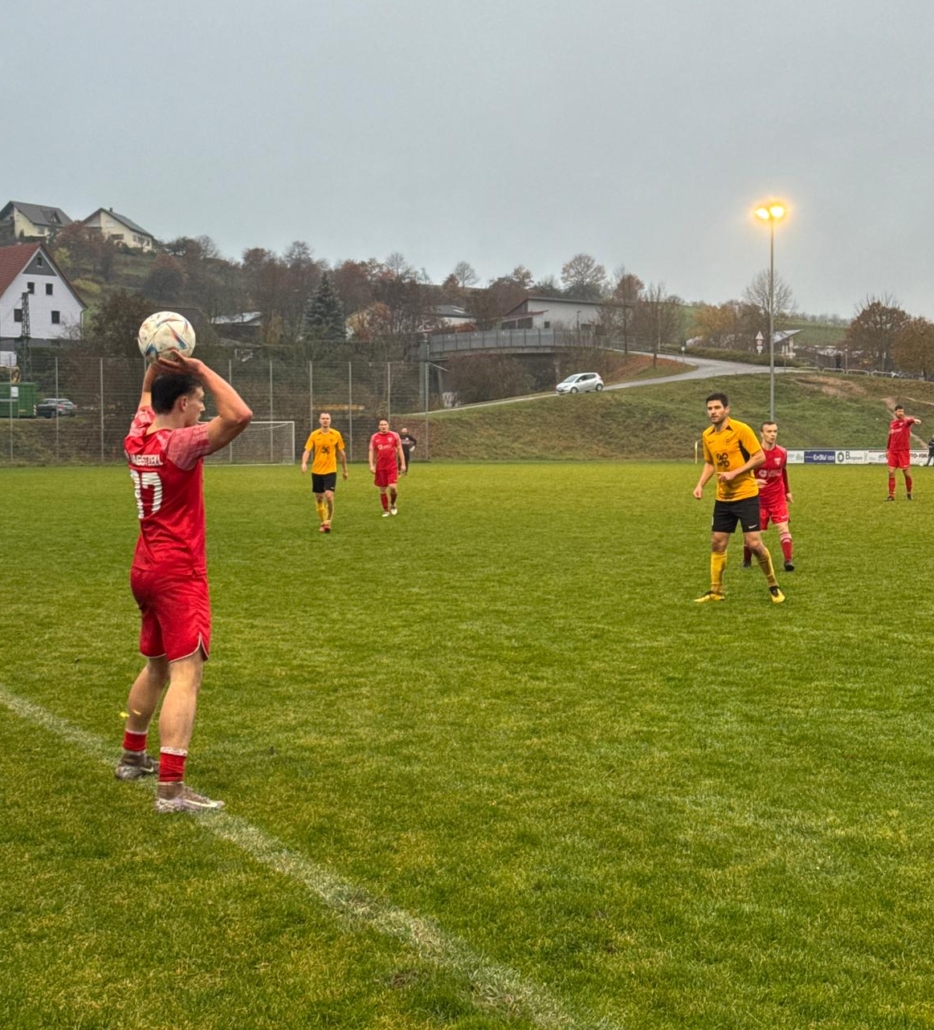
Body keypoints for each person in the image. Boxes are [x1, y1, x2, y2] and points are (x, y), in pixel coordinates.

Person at [117, 353, 253, 813]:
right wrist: (200, 369)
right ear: (180, 404)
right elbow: (240, 415)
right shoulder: (180, 444)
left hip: (145, 568)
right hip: (178, 573)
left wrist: (155, 365)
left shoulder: (137, 435)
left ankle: (132, 757)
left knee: (156, 667)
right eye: (197, 402)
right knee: (185, 675)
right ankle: (172, 789)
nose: (202, 408)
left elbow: (145, 395)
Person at [692, 392, 784, 604]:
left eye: (717, 408)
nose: (713, 412)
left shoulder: (741, 429)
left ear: (727, 409)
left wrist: (735, 473)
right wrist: (700, 485)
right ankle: (716, 591)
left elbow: (759, 457)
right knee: (717, 543)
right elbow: (710, 463)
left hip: (746, 495)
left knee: (754, 544)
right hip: (723, 498)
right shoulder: (707, 435)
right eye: (710, 408)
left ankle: (773, 585)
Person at [742, 421, 795, 572]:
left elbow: (783, 471)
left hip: (777, 497)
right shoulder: (754, 454)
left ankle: (788, 561)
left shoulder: (782, 452)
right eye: (769, 431)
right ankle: (746, 560)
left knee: (783, 527)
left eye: (775, 431)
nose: (773, 434)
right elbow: (743, 474)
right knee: (753, 534)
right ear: (762, 434)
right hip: (757, 499)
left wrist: (787, 491)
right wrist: (753, 482)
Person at [301, 412, 349, 532]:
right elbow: (307, 451)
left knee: (329, 496)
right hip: (317, 470)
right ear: (319, 420)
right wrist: (304, 463)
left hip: (330, 470)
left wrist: (345, 470)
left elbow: (341, 453)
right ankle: (323, 522)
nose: (325, 420)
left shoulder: (336, 434)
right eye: (323, 418)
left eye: (327, 418)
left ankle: (328, 521)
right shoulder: (314, 435)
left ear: (330, 420)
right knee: (319, 498)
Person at [369, 418, 405, 515]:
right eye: (381, 425)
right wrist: (371, 465)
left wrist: (403, 464)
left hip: (392, 466)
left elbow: (400, 449)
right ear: (378, 426)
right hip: (380, 467)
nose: (383, 426)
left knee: (393, 488)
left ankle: (393, 504)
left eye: (385, 424)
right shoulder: (374, 437)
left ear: (388, 426)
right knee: (382, 490)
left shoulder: (394, 435)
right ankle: (386, 510)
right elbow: (371, 451)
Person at [886, 404, 921, 500]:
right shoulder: (892, 423)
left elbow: (910, 420)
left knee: (906, 473)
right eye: (899, 411)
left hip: (903, 451)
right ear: (895, 412)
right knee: (891, 472)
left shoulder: (905, 422)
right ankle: (891, 495)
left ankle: (909, 492)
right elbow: (890, 437)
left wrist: (914, 420)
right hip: (893, 451)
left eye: (902, 411)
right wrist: (887, 449)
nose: (901, 413)